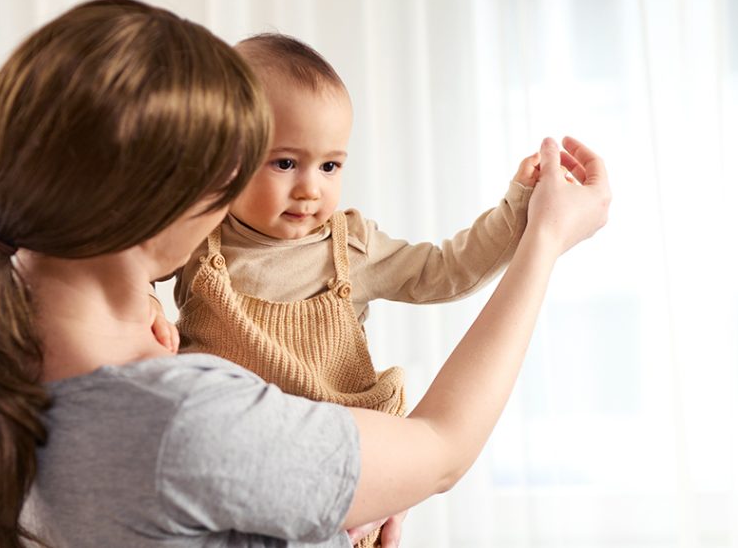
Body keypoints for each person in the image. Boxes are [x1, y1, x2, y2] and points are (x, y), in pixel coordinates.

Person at [0, 0, 610, 548]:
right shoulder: (184, 418)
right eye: (253, 161)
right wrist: (544, 237)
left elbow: (443, 270)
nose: (302, 188)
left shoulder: (12, 375)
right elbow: (443, 451)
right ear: (173, 198)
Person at [159, 33, 542, 547]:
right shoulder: (195, 237)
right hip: (235, 481)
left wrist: (517, 207)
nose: (310, 188)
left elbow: (448, 269)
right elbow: (118, 273)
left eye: (330, 165)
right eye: (285, 163)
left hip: (344, 482)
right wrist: (146, 307)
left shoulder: (351, 245)